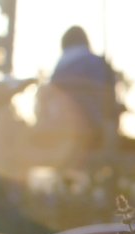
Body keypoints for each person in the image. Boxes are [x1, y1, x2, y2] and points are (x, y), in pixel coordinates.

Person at [36, 26, 118, 160]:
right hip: (93, 128)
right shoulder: (99, 63)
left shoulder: (60, 67)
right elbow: (110, 101)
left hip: (57, 127)